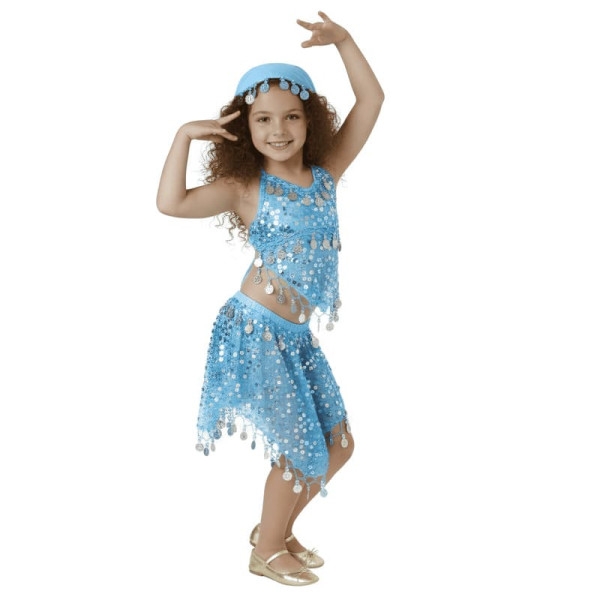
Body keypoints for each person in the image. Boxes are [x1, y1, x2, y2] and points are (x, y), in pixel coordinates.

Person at [156, 11, 384, 586]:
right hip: (254, 331)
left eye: (291, 117)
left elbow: (372, 100)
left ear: (312, 122)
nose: (278, 130)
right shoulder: (245, 188)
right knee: (299, 446)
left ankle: (273, 532)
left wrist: (345, 41)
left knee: (338, 444)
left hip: (295, 337)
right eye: (263, 119)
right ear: (244, 128)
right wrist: (183, 135)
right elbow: (172, 204)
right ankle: (267, 549)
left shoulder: (327, 173)